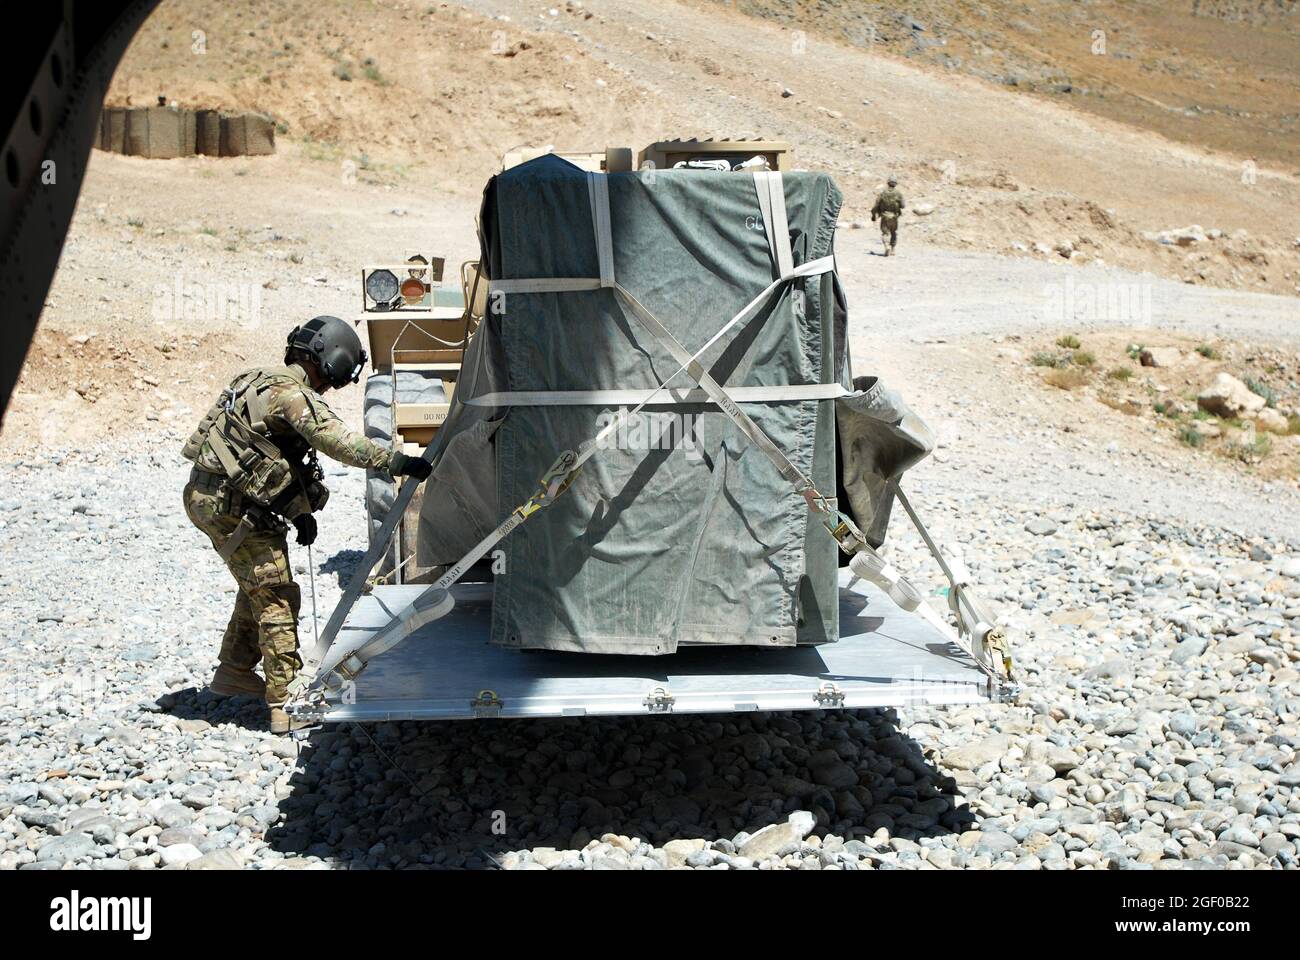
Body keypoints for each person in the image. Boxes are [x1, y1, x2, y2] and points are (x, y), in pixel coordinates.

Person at [181, 316, 432, 733]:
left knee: (256, 584)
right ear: (330, 360)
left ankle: (235, 670)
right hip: (233, 506)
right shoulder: (292, 396)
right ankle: (285, 701)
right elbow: (337, 441)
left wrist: (298, 512)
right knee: (277, 595)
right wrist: (396, 461)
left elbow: (255, 452)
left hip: (210, 497)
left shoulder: (256, 380)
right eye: (335, 379)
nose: (331, 388)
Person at [871, 176, 905, 256]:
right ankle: (892, 249)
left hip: (885, 217)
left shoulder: (883, 193)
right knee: (893, 232)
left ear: (888, 183)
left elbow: (876, 206)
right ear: (895, 184)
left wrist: (873, 215)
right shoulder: (899, 194)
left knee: (885, 233)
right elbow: (903, 205)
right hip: (894, 217)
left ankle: (887, 246)